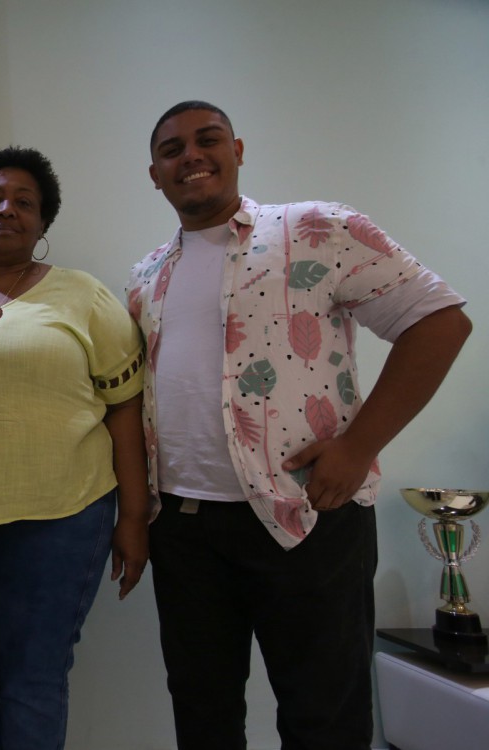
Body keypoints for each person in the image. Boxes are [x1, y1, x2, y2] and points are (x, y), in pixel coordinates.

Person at [128, 100, 472, 750]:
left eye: (209, 140)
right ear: (154, 173)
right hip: (185, 531)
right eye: (173, 150)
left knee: (325, 721)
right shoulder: (147, 275)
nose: (191, 156)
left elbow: (440, 322)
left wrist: (360, 445)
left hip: (311, 516)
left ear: (238, 150)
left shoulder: (317, 229)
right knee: (202, 718)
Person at [0, 146, 149, 750]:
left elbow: (126, 409)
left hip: (62, 517)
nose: (6, 209)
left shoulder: (84, 298)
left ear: (43, 221)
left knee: (32, 681)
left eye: (23, 202)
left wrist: (136, 518)